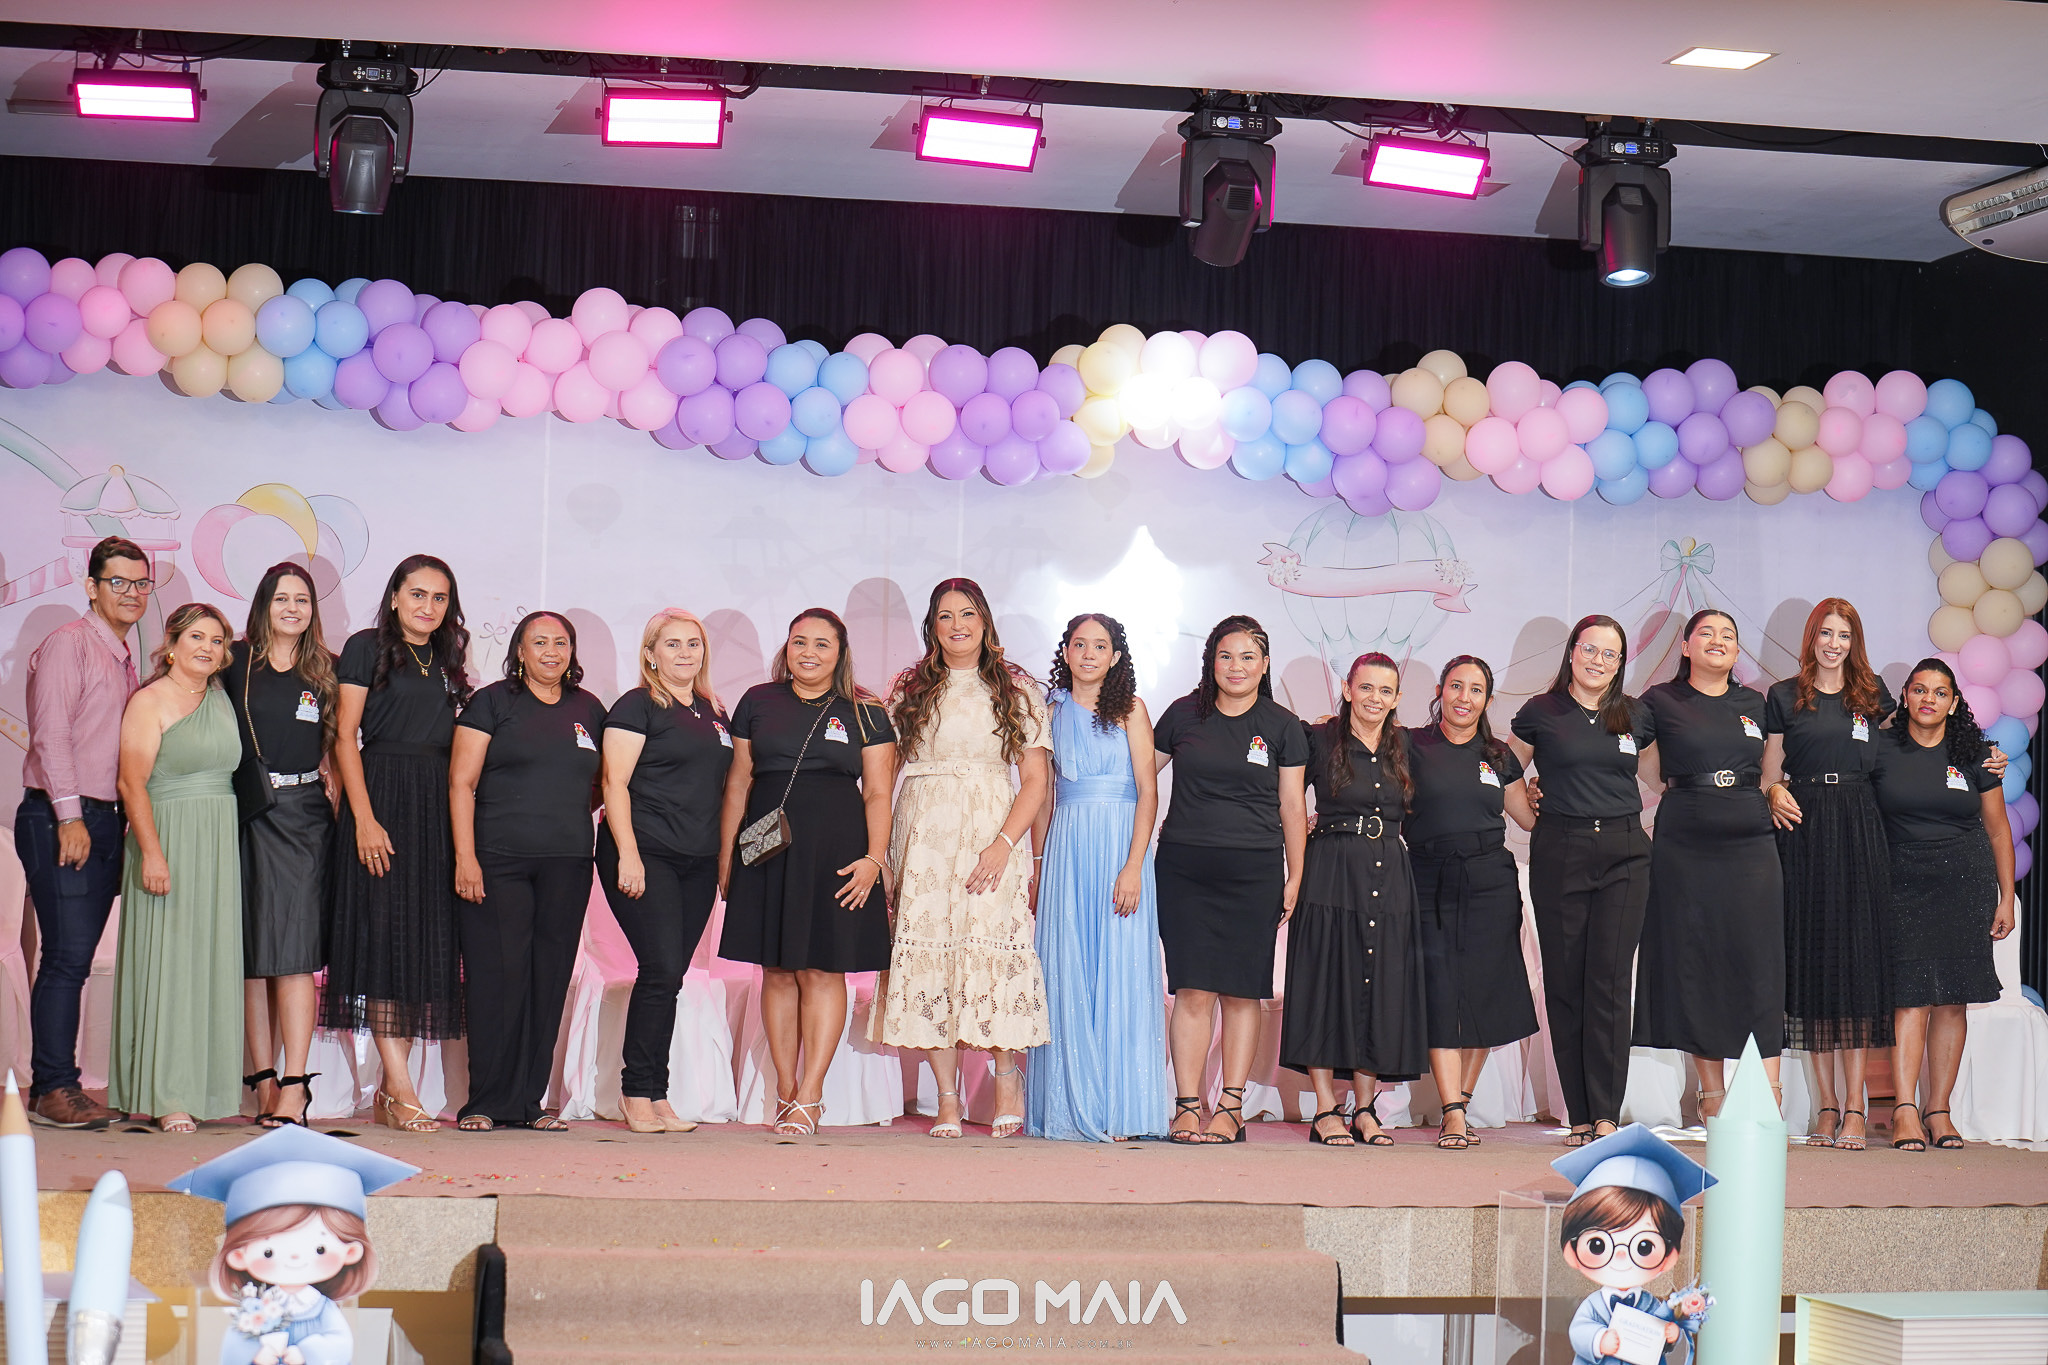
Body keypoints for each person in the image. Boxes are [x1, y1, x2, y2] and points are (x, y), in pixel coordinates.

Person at [874, 580, 1051, 1138]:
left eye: (968, 614)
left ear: (985, 621)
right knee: (933, 958)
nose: (957, 625)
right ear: (932, 625)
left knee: (990, 951)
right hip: (923, 837)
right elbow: (882, 774)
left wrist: (1004, 845)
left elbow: (1035, 779)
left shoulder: (1017, 688)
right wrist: (882, 853)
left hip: (992, 836)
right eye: (946, 615)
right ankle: (946, 1099)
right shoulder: (908, 689)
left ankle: (1006, 1079)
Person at [720, 608, 897, 1136]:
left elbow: (880, 793)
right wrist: (726, 856)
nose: (809, 653)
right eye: (800, 642)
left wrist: (874, 859)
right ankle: (785, 1089)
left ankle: (812, 1095)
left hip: (837, 854)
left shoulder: (866, 711)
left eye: (823, 644)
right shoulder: (758, 701)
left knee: (823, 969)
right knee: (776, 970)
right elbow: (739, 783)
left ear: (840, 653)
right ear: (786, 648)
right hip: (766, 851)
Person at [321, 555, 471, 1133]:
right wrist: (362, 819)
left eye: (439, 597)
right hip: (381, 794)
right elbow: (344, 737)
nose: (428, 606)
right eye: (417, 594)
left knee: (418, 944)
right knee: (383, 940)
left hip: (434, 805)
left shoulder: (448, 656)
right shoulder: (366, 647)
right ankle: (402, 1087)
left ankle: (392, 1088)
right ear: (394, 597)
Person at [1152, 615, 1309, 1144]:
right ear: (1211, 662)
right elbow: (1140, 779)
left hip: (1254, 872)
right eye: (1225, 656)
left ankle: (1232, 1107)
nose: (1235, 666)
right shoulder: (1182, 715)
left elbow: (1292, 805)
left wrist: (1295, 875)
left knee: (1243, 993)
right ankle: (1187, 1105)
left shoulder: (1283, 726)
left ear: (1264, 665)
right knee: (1192, 990)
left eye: (1247, 657)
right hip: (1185, 870)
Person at [450, 612, 608, 1131]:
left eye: (561, 643)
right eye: (539, 642)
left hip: (568, 864)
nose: (551, 652)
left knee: (549, 979)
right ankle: (484, 1102)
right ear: (519, 650)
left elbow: (601, 784)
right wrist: (466, 857)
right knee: (498, 977)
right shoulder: (492, 703)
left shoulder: (590, 709)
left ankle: (529, 1103)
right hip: (498, 861)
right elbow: (460, 783)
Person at [16, 535, 149, 1128]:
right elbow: (50, 735)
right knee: (66, 957)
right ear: (92, 587)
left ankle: (57, 1085)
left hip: (104, 819)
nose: (131, 593)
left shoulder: (123, 655)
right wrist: (69, 817)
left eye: (141, 583)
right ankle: (52, 1087)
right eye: (118, 582)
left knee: (75, 957)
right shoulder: (70, 644)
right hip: (60, 816)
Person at [1510, 615, 1657, 1146]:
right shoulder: (1540, 711)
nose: (1598, 660)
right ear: (1572, 652)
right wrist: (1530, 815)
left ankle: (1606, 1113)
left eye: (1610, 654)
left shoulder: (1635, 715)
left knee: (1611, 984)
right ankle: (1577, 1112)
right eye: (1590, 649)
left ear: (1620, 664)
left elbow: (1662, 778)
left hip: (1625, 855)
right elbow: (1505, 770)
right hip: (1561, 851)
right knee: (1566, 982)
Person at [1632, 609, 1785, 1118]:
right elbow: (1644, 766)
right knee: (1697, 958)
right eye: (1707, 633)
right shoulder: (1660, 700)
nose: (1718, 641)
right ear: (1686, 646)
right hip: (1686, 839)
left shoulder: (1756, 703)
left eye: (1728, 635)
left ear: (1737, 651)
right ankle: (1712, 1095)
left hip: (1751, 837)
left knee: (1759, 958)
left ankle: (1769, 1089)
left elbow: (1771, 773)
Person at [1026, 613, 1169, 1142]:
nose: (1089, 654)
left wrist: (1134, 864)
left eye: (1100, 646)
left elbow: (1148, 791)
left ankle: (1123, 1109)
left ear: (1115, 656)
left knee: (1121, 971)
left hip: (1120, 847)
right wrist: (1039, 864)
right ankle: (1068, 1105)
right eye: (1080, 644)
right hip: (1067, 846)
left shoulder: (1131, 709)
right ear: (1065, 651)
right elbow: (1042, 795)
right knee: (1067, 969)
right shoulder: (1048, 710)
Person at [1760, 599, 1896, 1152]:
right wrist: (1773, 790)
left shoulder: (1874, 695)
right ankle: (1825, 1105)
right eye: (1826, 633)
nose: (1834, 644)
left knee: (1856, 965)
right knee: (1814, 963)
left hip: (1860, 825)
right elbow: (1770, 768)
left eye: (1844, 635)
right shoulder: (1783, 696)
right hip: (1804, 826)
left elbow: (1919, 744)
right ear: (1811, 638)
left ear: (1854, 641)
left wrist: (1983, 754)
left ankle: (1856, 1107)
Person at [1281, 651, 1427, 1148]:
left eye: (1385, 691)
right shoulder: (1319, 738)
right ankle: (1326, 1109)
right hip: (1330, 871)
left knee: (1379, 988)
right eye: (1365, 687)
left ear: (1398, 698)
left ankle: (1364, 1109)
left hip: (1391, 875)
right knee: (1325, 983)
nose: (1374, 699)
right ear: (1347, 689)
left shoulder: (1406, 745)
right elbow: (1283, 798)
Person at [108, 602, 243, 1132]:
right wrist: (153, 853)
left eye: (216, 640)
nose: (208, 648)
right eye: (197, 637)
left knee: (207, 964)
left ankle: (204, 1088)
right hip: (168, 838)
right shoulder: (150, 700)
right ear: (172, 644)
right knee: (170, 965)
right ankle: (167, 1094)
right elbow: (131, 783)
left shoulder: (222, 698)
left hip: (218, 843)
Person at [1872, 659, 2014, 1153]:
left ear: (1953, 703)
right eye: (1919, 690)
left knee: (1952, 999)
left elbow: (1998, 830)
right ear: (1905, 696)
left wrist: (2007, 897)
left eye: (1939, 692)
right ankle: (1904, 1110)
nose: (1928, 699)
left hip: (1964, 882)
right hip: (1901, 883)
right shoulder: (1880, 748)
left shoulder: (1977, 754)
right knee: (1910, 997)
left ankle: (1939, 1110)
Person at [599, 609, 731, 1135]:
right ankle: (636, 1092)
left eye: (693, 643)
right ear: (651, 654)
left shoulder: (714, 712)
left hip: (697, 861)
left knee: (671, 976)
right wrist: (628, 854)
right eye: (672, 644)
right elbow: (613, 783)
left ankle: (657, 1092)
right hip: (645, 851)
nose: (684, 653)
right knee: (660, 969)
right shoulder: (637, 705)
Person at [1406, 655, 1538, 1150]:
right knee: (1440, 994)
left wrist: (1552, 795)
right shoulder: (1411, 744)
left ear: (1487, 699)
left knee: (1484, 994)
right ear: (1440, 691)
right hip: (1427, 879)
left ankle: (1458, 1102)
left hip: (1490, 883)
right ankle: (1453, 1112)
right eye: (1456, 686)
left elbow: (1527, 819)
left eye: (1476, 689)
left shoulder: (1498, 754)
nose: (1464, 698)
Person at [223, 563, 337, 1130]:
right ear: (263, 605)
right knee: (250, 956)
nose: (292, 608)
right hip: (245, 813)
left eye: (302, 599)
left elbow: (342, 747)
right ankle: (262, 1079)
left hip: (305, 818)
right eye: (282, 599)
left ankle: (296, 1084)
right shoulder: (234, 662)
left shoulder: (326, 670)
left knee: (294, 955)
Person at [169, 1124, 419, 1365]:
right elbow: (233, 1348)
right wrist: (256, 1354)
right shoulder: (255, 1310)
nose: (295, 1258)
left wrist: (307, 1352)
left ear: (350, 1252)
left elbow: (339, 1343)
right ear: (238, 1257)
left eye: (320, 1249)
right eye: (268, 1252)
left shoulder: (322, 1309)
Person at [1551, 1123, 1716, 1365]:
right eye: (1598, 1245)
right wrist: (1598, 1339)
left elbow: (1661, 1335)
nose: (1620, 1257)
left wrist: (1670, 1335)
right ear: (1571, 1251)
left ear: (1669, 1256)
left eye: (1643, 1247)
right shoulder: (1593, 1306)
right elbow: (1579, 1331)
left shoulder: (1651, 1304)